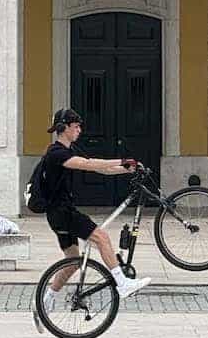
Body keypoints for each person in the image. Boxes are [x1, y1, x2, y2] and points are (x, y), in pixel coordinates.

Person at [39, 108, 149, 307]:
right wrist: (121, 160)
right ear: (64, 129)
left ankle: (46, 300)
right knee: (101, 237)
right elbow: (89, 164)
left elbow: (100, 169)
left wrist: (126, 170)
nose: (79, 130)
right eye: (76, 126)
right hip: (63, 212)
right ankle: (122, 284)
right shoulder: (56, 153)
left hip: (57, 214)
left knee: (72, 261)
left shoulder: (67, 151)